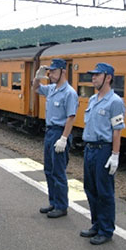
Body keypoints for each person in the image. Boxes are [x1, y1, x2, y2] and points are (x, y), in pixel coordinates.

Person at [80, 62, 126, 245]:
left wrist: (115, 155)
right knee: (90, 188)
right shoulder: (93, 99)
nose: (93, 78)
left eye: (97, 75)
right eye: (92, 75)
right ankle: (96, 224)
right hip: (90, 149)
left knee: (104, 191)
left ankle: (106, 230)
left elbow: (117, 130)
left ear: (108, 77)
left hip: (103, 150)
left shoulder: (115, 102)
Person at [33, 58, 79, 218]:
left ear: (63, 72)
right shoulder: (52, 89)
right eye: (49, 71)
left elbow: (71, 117)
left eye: (53, 71)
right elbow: (36, 89)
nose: (50, 74)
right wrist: (37, 77)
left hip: (60, 133)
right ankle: (53, 202)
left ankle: (61, 206)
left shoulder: (69, 93)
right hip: (50, 132)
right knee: (49, 170)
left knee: (58, 172)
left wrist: (64, 138)